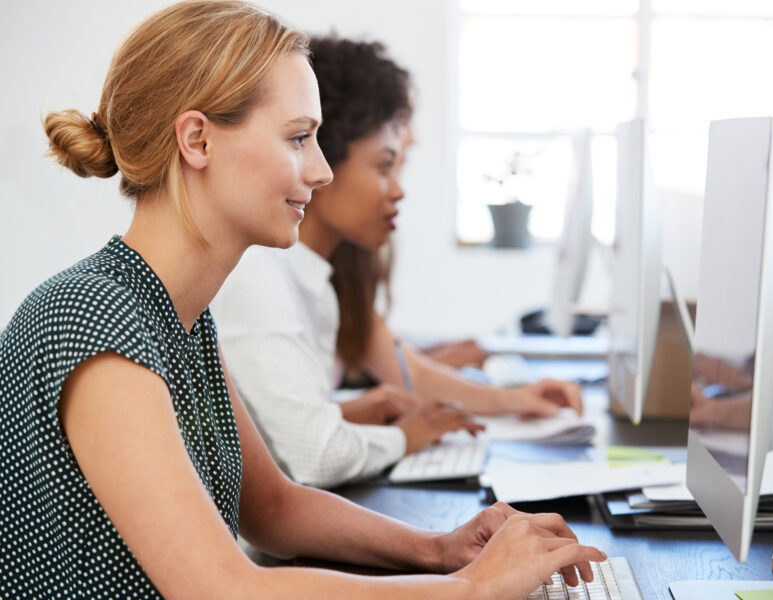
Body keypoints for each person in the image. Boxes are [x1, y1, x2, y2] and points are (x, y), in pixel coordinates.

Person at [0, 3, 606, 599]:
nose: (320, 171)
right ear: (197, 140)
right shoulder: (91, 319)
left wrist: (440, 549)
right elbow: (219, 588)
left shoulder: (177, 318)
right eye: (298, 138)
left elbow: (274, 508)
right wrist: (471, 588)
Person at [212, 36, 583, 489]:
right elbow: (313, 456)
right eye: (386, 165)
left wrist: (511, 397)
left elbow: (273, 426)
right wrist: (403, 435)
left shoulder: (318, 280)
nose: (398, 190)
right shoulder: (262, 277)